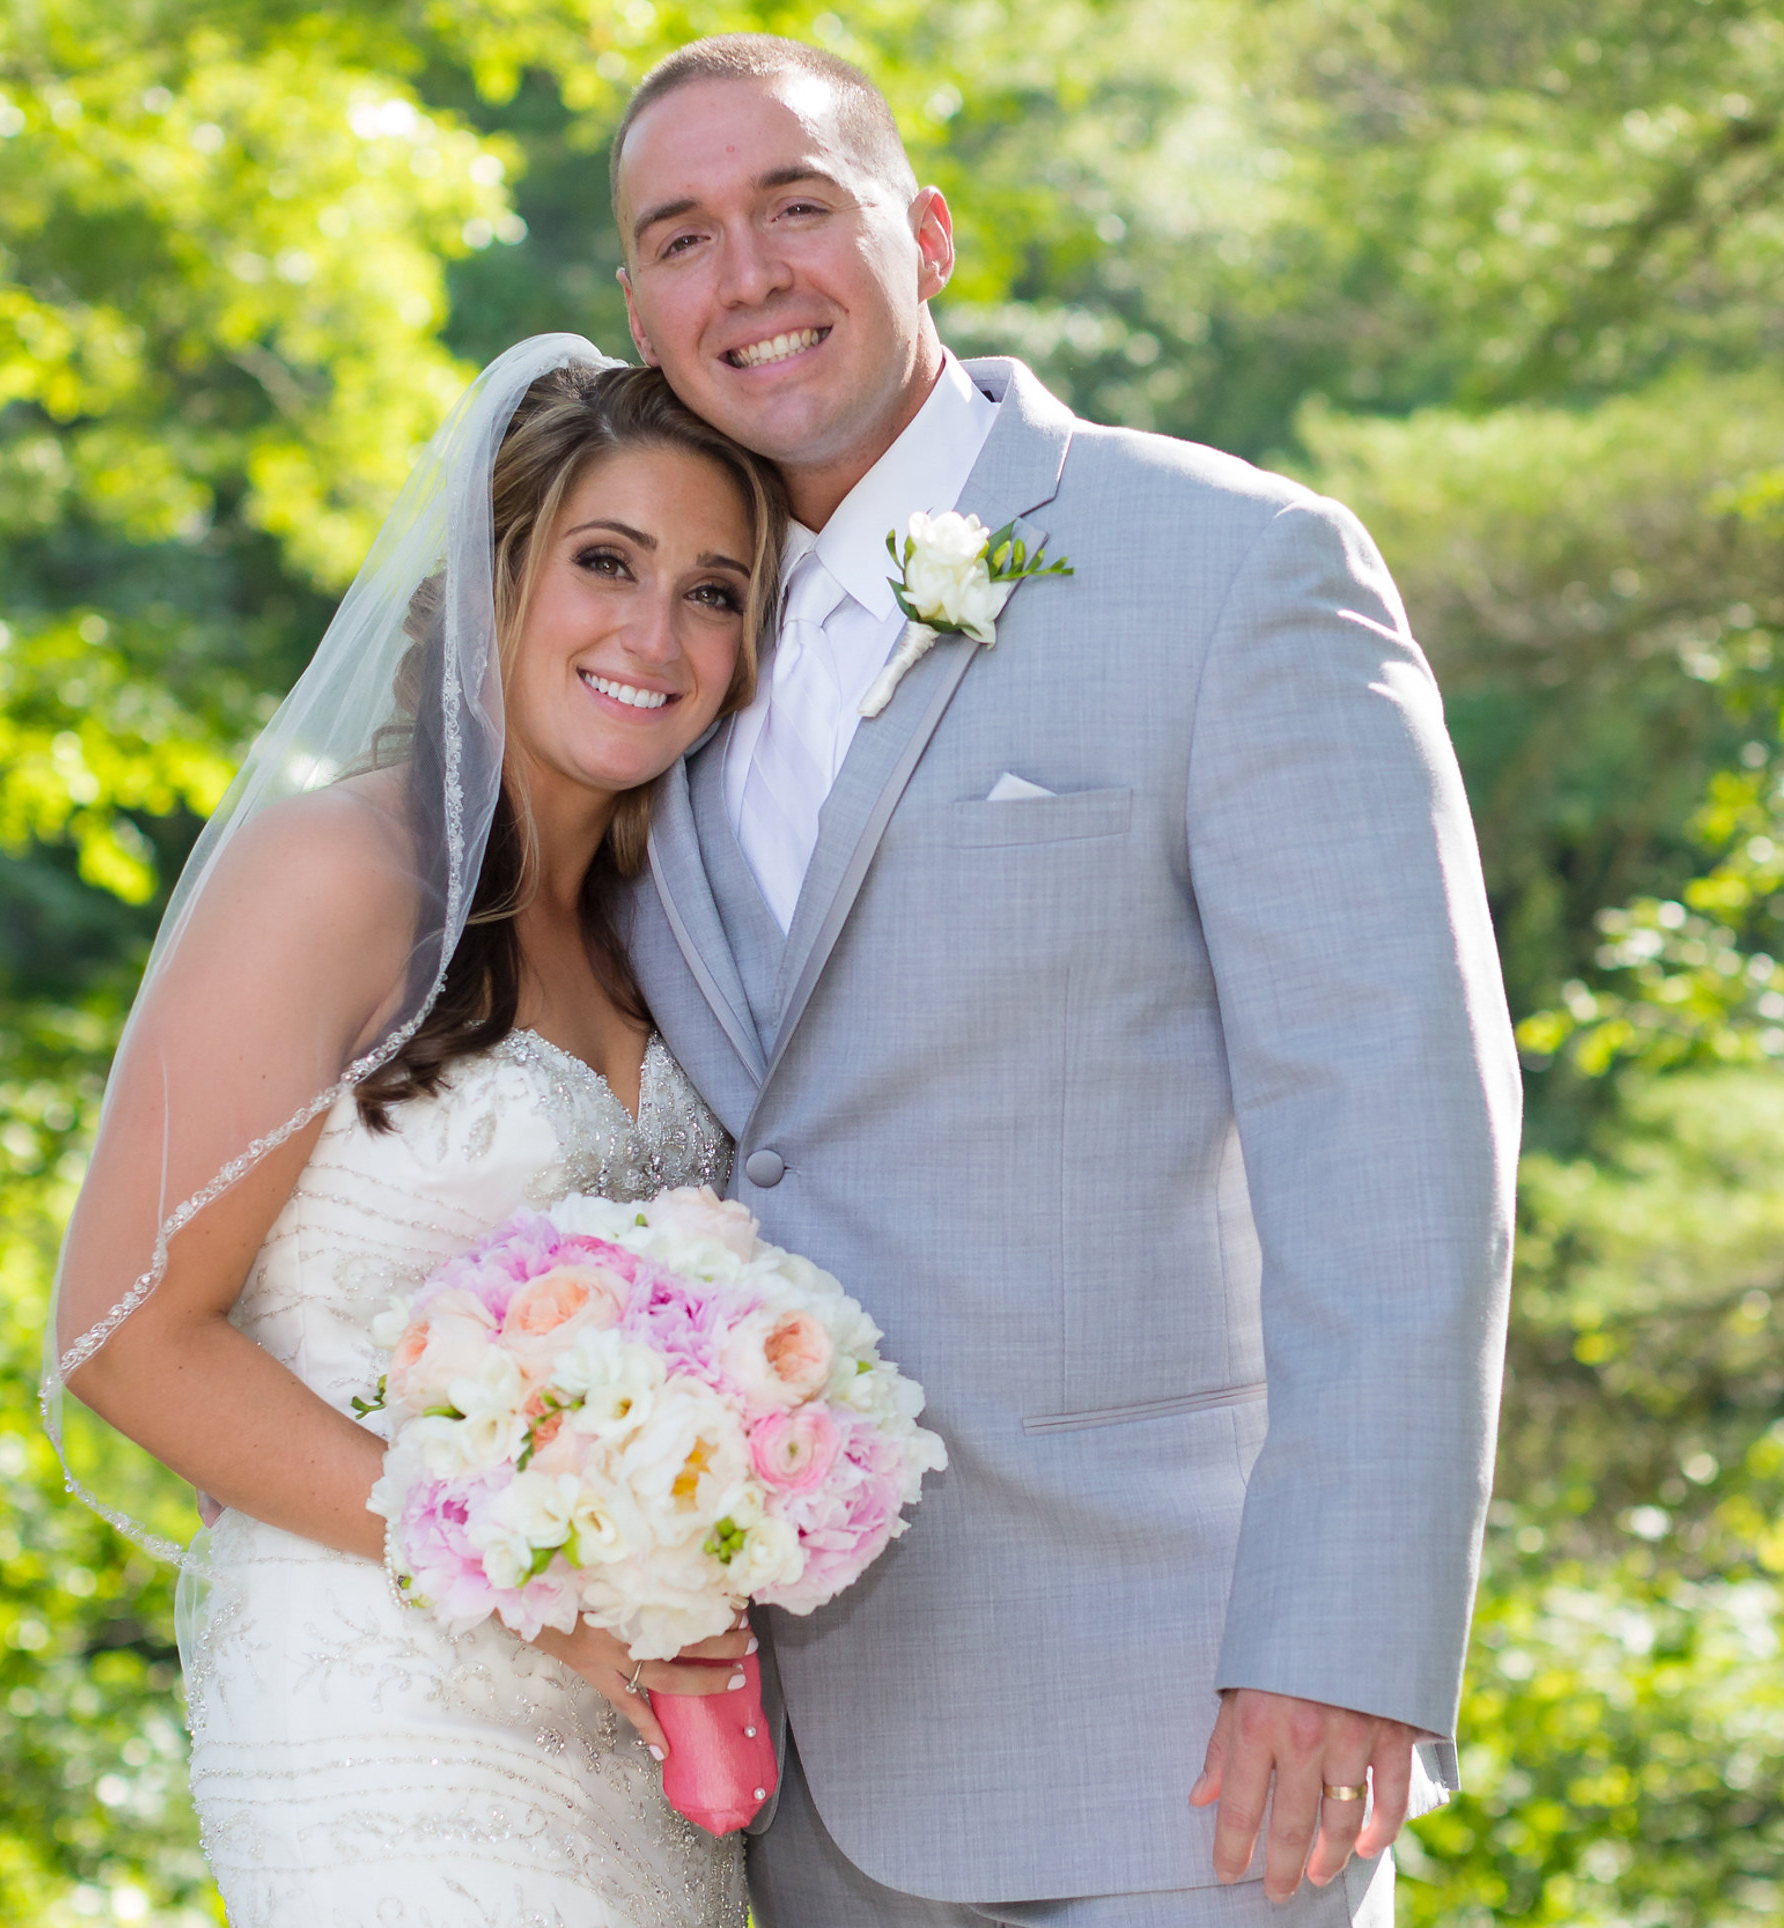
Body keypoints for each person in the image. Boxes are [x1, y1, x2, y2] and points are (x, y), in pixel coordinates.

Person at [610, 35, 1520, 1928]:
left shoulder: (1235, 570)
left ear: (925, 234)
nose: (748, 274)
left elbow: (1397, 1145)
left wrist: (1345, 1641)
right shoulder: (649, 651)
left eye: (799, 205)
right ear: (639, 306)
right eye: (681, 237)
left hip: (1178, 1734)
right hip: (768, 1763)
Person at [44, 343, 791, 1925]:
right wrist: (533, 1588)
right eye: (607, 563)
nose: (657, 634)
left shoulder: (662, 937)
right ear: (491, 579)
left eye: (715, 592)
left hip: (638, 1723)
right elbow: (129, 1340)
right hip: (386, 1695)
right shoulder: (334, 874)